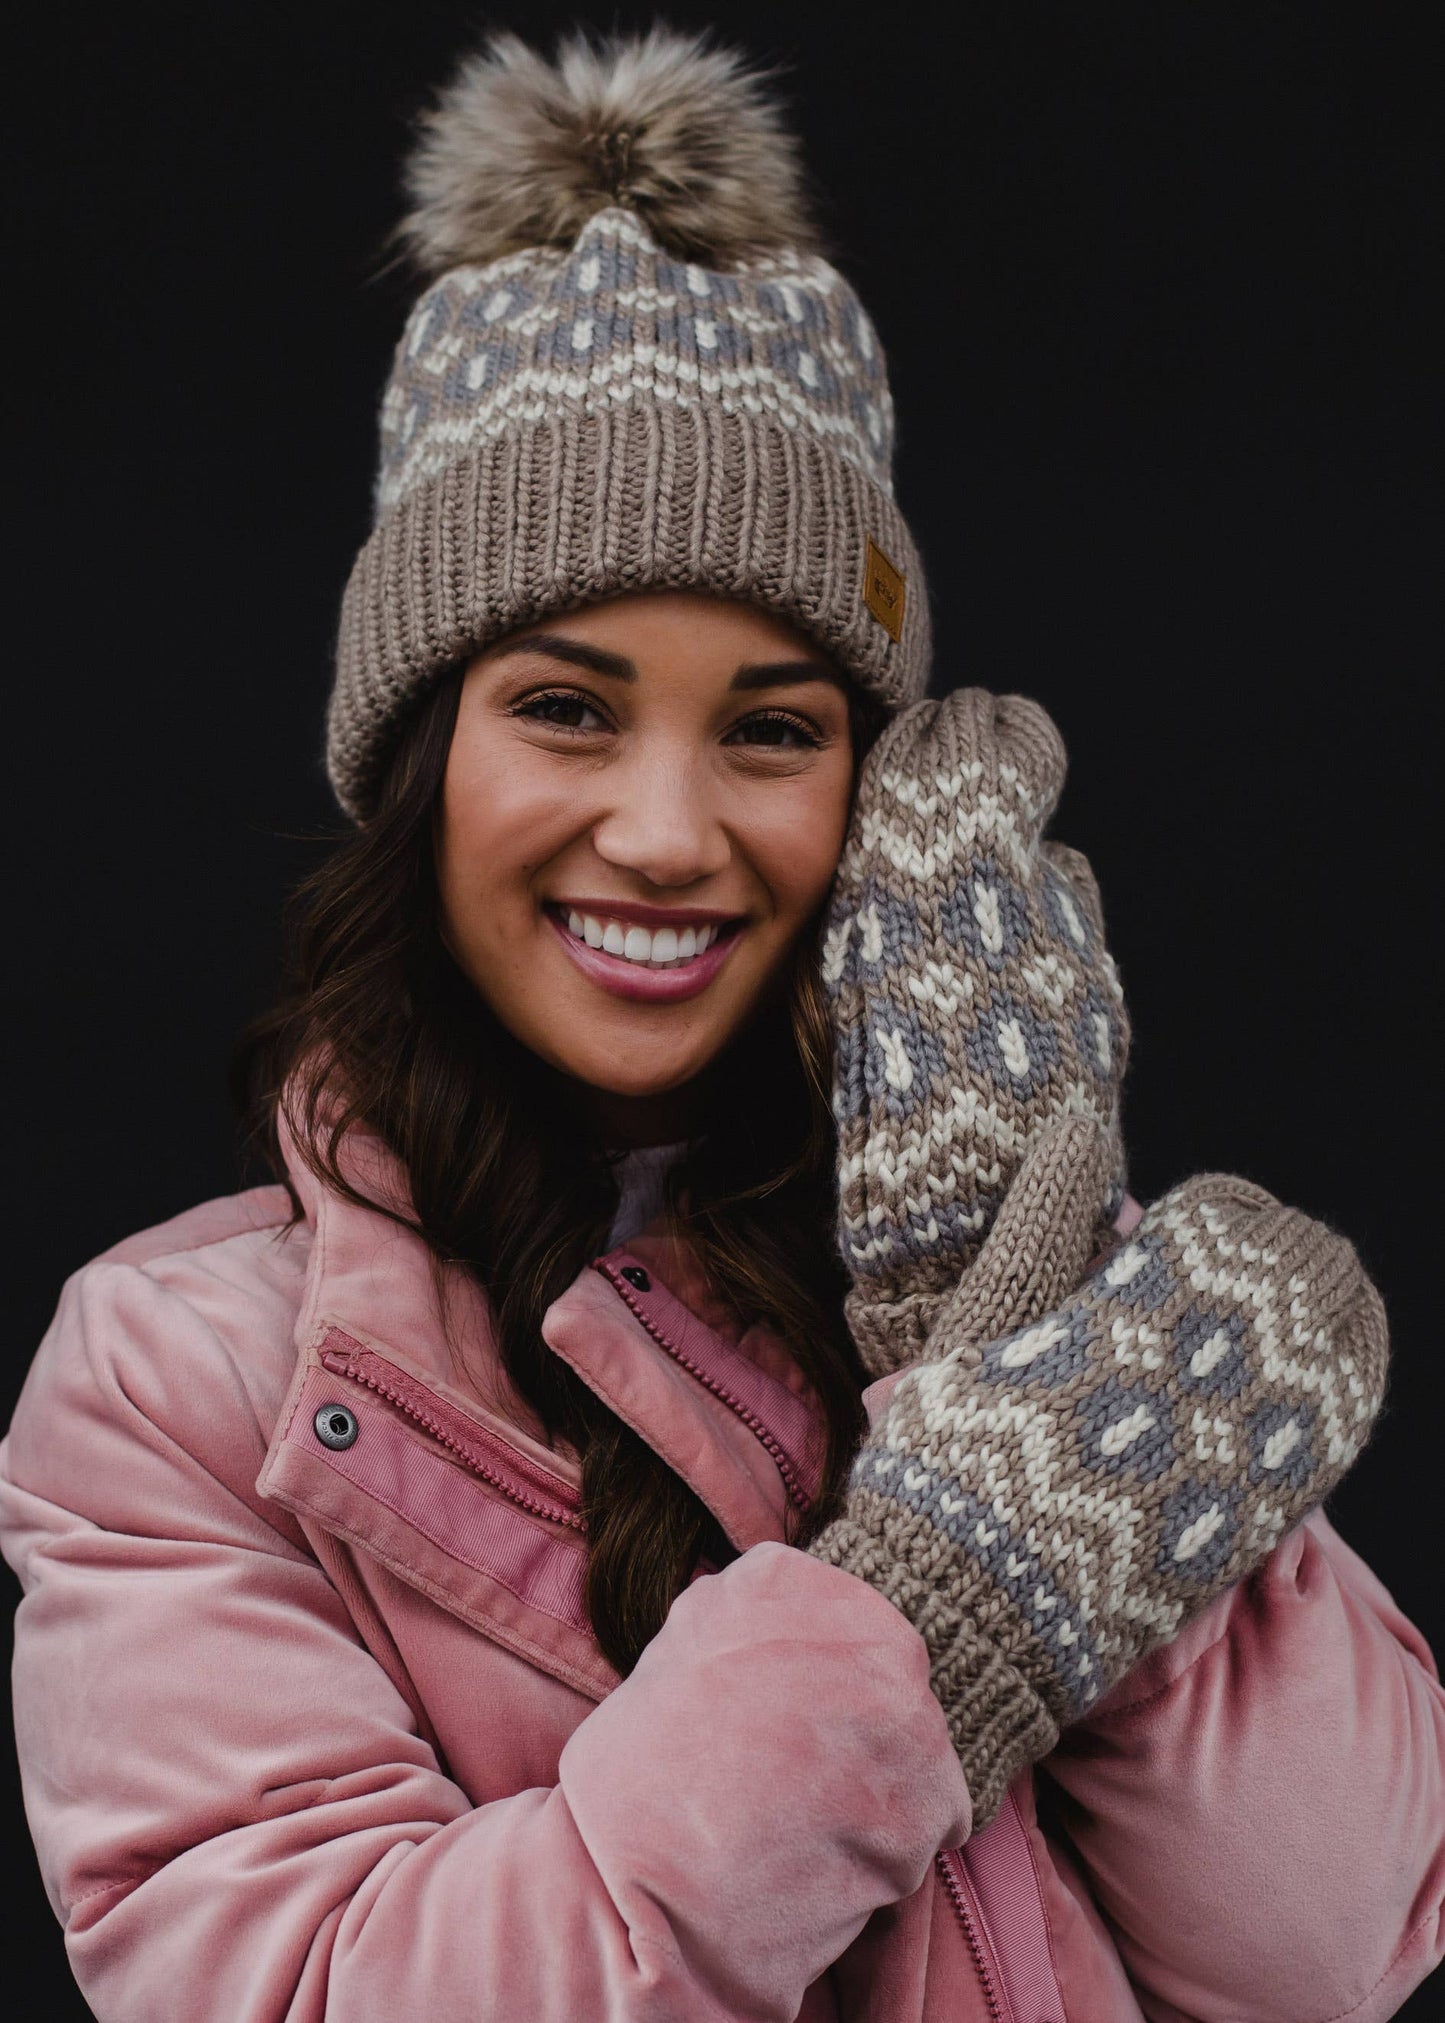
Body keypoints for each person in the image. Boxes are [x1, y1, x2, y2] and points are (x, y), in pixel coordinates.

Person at [2, 27, 1440, 2022]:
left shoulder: (1057, 1304)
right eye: (567, 709)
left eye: (774, 730)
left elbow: (1328, 1951)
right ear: (423, 762)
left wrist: (994, 1331)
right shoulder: (179, 1382)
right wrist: (934, 1613)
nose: (668, 835)